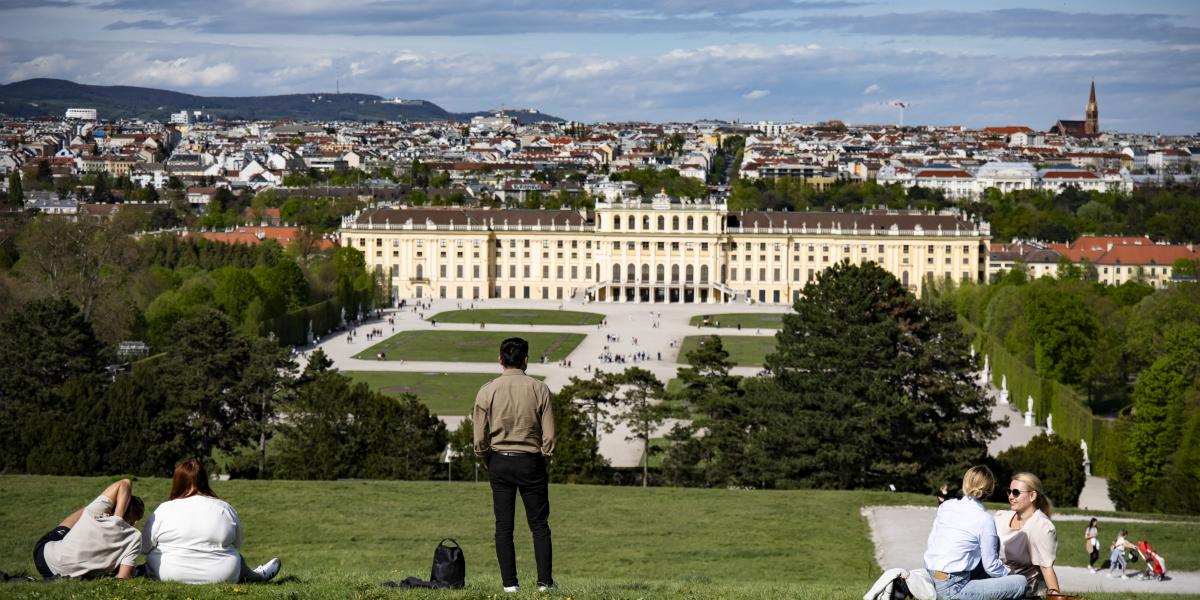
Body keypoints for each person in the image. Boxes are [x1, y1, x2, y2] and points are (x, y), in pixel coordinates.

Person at [474, 337, 556, 593]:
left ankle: (510, 584)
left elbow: (479, 437)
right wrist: (544, 457)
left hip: (500, 460)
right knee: (539, 525)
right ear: (526, 361)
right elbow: (550, 436)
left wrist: (486, 456)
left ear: (500, 360)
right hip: (530, 459)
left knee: (503, 526)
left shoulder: (487, 390)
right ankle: (544, 583)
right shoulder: (539, 389)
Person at [142, 458, 281, 584]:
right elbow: (237, 544)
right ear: (204, 480)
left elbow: (145, 547)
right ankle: (258, 576)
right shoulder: (224, 508)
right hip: (222, 575)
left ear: (177, 482)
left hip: (166, 574)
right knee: (239, 559)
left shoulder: (163, 509)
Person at [923, 465, 1026, 600]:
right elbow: (991, 567)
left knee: (984, 561)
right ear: (989, 489)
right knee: (1020, 583)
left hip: (930, 577)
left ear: (965, 483)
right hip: (952, 589)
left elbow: (932, 542)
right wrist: (1008, 575)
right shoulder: (984, 519)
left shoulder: (946, 506)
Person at [34, 479, 144, 580]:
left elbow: (125, 482)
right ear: (135, 520)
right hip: (71, 577)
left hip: (45, 561)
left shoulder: (95, 513)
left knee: (87, 510)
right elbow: (123, 577)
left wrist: (117, 517)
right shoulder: (135, 537)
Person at [995, 472, 1062, 597]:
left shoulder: (1041, 526)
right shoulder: (1000, 518)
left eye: (1016, 492)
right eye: (1009, 492)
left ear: (1032, 496)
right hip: (994, 581)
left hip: (1021, 591)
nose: (1010, 496)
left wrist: (1055, 594)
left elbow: (1046, 567)